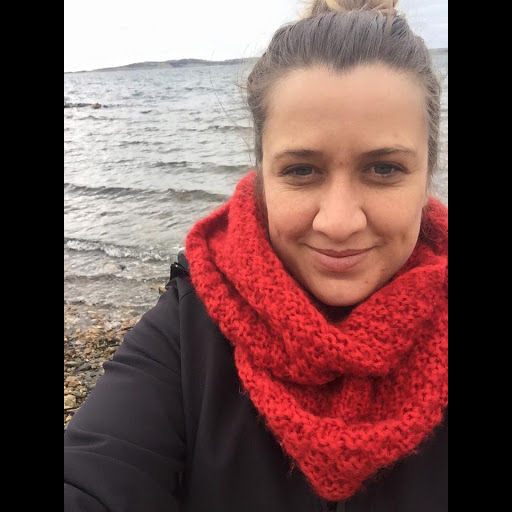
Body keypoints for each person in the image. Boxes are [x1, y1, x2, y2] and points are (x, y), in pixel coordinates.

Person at [64, 0, 448, 510]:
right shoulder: (192, 322)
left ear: (427, 175)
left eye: (383, 169)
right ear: (262, 174)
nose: (338, 222)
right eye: (301, 170)